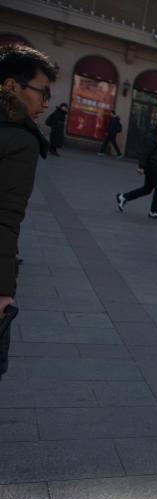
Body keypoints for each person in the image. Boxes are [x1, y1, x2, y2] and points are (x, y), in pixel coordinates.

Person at [0, 44, 56, 381]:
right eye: (42, 92)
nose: (45, 103)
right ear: (11, 87)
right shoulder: (21, 140)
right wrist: (3, 291)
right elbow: (5, 218)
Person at [116, 119, 157, 220]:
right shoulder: (152, 137)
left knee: (147, 189)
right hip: (152, 166)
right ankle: (154, 211)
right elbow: (145, 152)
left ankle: (123, 197)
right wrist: (141, 167)